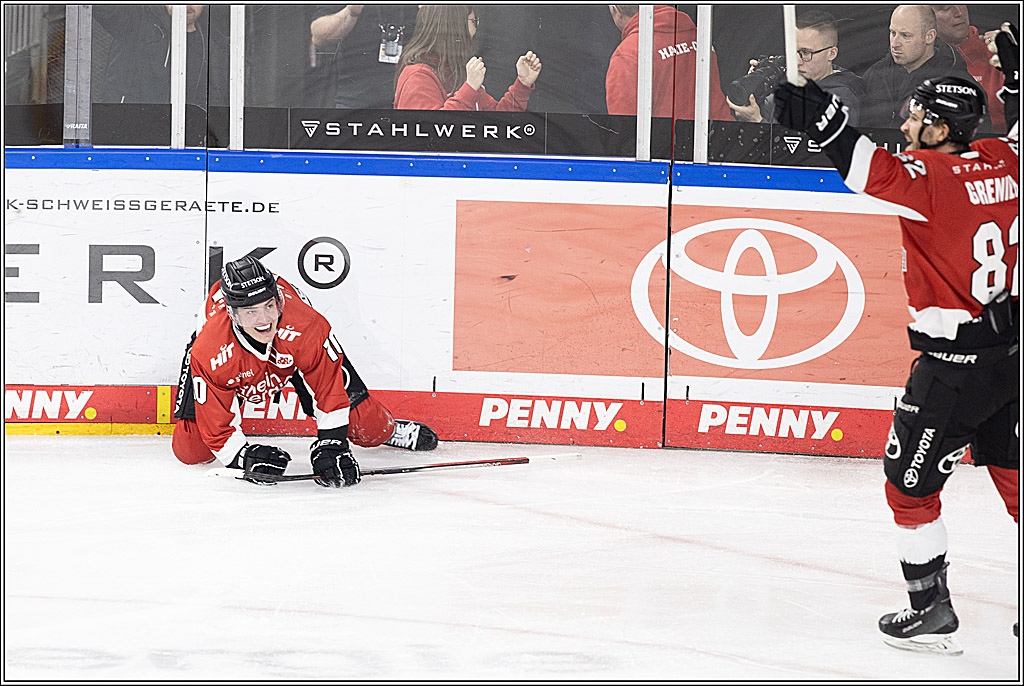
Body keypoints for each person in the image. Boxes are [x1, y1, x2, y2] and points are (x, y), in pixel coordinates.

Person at [773, 23, 1019, 653]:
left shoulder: (931, 182)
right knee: (1018, 485)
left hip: (951, 371)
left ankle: (931, 613)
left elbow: (866, 168)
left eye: (916, 120)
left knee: (908, 488)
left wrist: (821, 120)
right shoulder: (1006, 163)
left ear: (940, 128)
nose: (907, 128)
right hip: (1012, 362)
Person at [171, 255, 439, 487]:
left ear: (277, 300)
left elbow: (328, 389)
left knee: (367, 425)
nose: (264, 320)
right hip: (235, 355)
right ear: (233, 314)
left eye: (269, 305)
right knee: (190, 450)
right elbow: (218, 425)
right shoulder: (209, 349)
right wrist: (242, 456)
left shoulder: (306, 325)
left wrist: (332, 444)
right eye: (251, 311)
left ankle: (389, 430)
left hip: (292, 347)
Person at [728, 10, 863, 126]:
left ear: (831, 53)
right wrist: (754, 93)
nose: (796, 62)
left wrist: (757, 122)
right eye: (793, 51)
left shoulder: (842, 101)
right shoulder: (791, 83)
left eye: (806, 53)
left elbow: (813, 153)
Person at [393, 5, 541, 111]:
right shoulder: (417, 76)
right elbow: (431, 133)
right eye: (473, 22)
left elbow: (498, 123)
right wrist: (469, 88)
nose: (476, 30)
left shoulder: (456, 71)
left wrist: (522, 84)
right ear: (456, 26)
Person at [605, 5, 731, 120]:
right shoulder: (698, 36)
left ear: (616, 10)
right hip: (720, 138)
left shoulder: (628, 54)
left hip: (671, 142)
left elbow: (624, 128)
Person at [860, 5, 975, 130]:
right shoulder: (874, 75)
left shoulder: (960, 88)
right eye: (893, 33)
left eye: (906, 36)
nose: (895, 44)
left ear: (929, 37)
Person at [93, 4, 227, 106]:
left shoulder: (212, 42)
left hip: (179, 136)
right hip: (127, 128)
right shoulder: (138, 18)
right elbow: (102, 8)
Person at [310, 5, 418, 109]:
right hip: (356, 101)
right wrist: (351, 12)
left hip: (413, 99)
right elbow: (318, 37)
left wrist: (429, 14)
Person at [932, 4, 1007, 133]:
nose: (959, 12)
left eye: (961, 3)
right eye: (945, 8)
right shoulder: (910, 60)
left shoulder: (1001, 54)